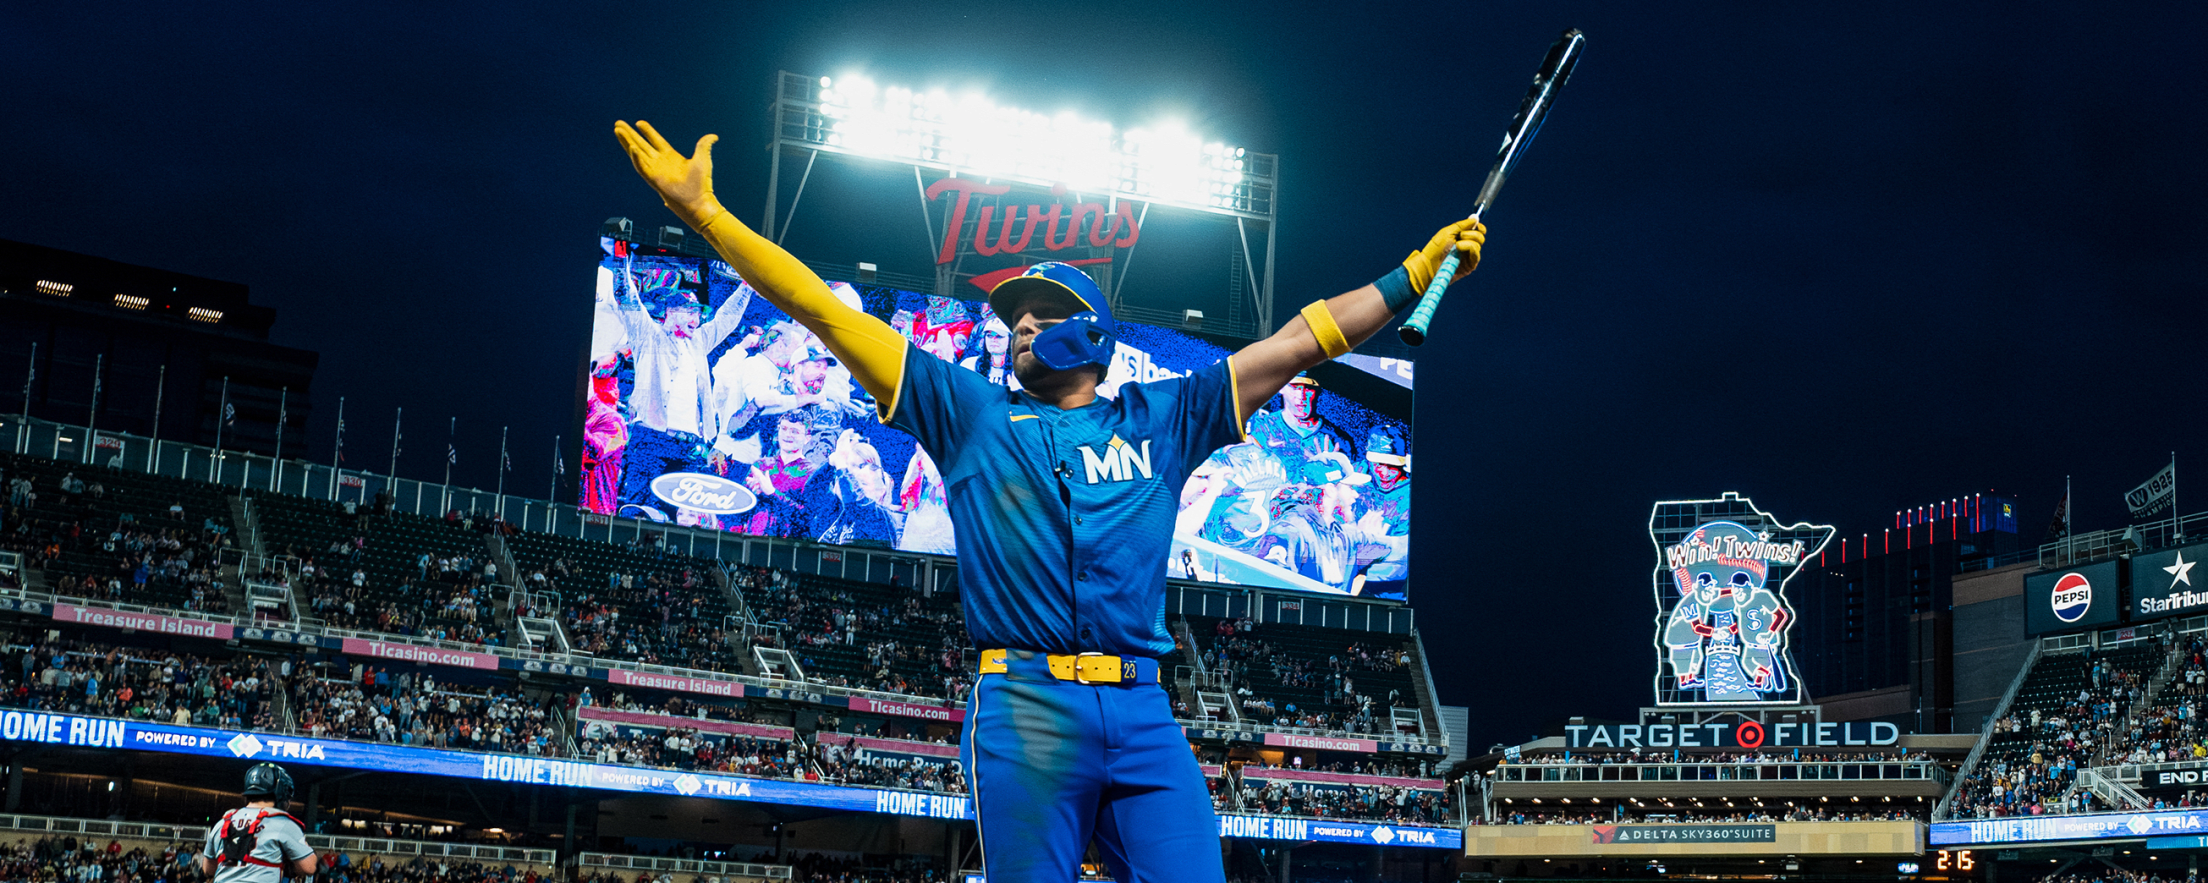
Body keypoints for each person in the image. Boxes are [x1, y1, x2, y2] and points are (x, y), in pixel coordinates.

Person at [615, 119, 1483, 883]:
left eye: (1042, 308)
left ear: (1095, 330)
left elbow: (1300, 341)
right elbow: (817, 308)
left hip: (1145, 711)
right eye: (1014, 313)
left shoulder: (1167, 415)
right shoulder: (968, 412)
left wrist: (1415, 272)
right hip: (1025, 707)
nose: (1020, 322)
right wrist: (707, 218)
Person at [201, 762, 315, 882]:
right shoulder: (283, 823)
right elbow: (309, 867)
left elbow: (208, 869)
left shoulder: (223, 823)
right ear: (281, 792)